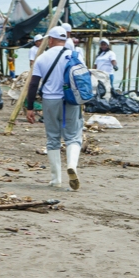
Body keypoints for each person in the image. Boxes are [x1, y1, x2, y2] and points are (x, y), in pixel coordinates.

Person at [25, 26, 82, 190]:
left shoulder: (42, 58)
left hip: (50, 101)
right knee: (73, 137)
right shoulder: (74, 55)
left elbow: (34, 83)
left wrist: (30, 107)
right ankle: (72, 165)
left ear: (50, 40)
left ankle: (56, 179)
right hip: (70, 100)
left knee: (53, 138)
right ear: (64, 39)